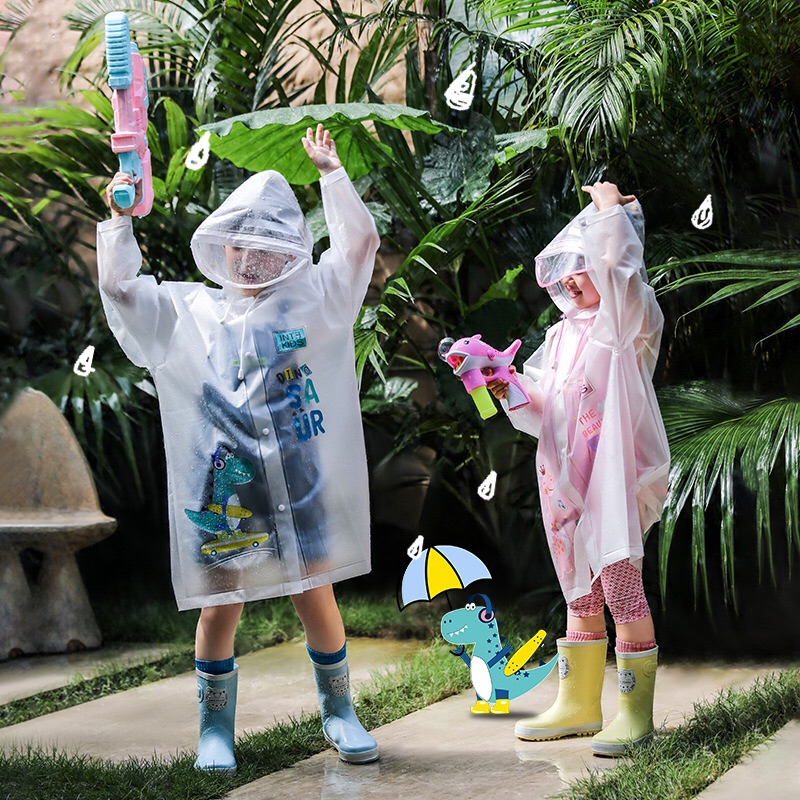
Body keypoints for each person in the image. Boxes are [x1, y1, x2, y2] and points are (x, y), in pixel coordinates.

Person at [98, 125, 381, 771]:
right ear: (220, 248)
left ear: (291, 254)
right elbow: (121, 290)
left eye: (269, 247)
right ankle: (214, 731)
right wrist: (118, 223)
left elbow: (359, 243)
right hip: (223, 489)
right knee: (219, 601)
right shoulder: (190, 311)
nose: (252, 260)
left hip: (298, 480)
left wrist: (332, 176)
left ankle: (340, 713)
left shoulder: (316, 302)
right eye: (241, 246)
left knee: (314, 592)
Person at [487, 182, 670, 756]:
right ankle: (579, 704)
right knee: (579, 594)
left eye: (581, 264)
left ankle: (634, 712)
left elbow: (622, 272)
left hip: (609, 481)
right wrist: (507, 385)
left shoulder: (626, 323)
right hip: (563, 485)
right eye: (564, 265)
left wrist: (610, 212)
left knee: (620, 586)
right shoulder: (560, 335)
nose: (571, 276)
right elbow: (544, 410)